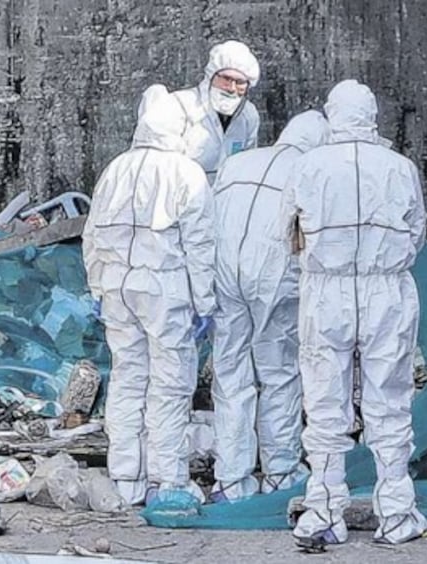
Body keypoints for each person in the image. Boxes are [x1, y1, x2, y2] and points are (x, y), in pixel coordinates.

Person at [282, 80, 427, 546]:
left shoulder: (309, 166)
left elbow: (290, 232)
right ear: (371, 116)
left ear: (332, 114)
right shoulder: (400, 167)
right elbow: (417, 230)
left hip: (326, 292)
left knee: (325, 405)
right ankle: (397, 514)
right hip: (386, 289)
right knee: (390, 400)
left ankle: (324, 511)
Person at [82, 84, 215, 507]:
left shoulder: (115, 169)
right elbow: (200, 244)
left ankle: (126, 478)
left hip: (119, 289)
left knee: (126, 379)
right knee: (170, 384)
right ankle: (169, 479)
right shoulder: (186, 172)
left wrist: (98, 287)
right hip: (165, 288)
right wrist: (206, 302)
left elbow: (91, 236)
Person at [209, 110, 330, 503]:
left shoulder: (238, 162)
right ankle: (279, 472)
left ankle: (231, 479)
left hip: (226, 274)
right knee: (278, 373)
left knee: (230, 373)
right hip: (275, 279)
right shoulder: (311, 168)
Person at [173, 40, 261, 183]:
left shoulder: (248, 116)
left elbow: (247, 163)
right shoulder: (182, 106)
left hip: (227, 197)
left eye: (240, 82)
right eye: (226, 78)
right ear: (211, 77)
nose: (231, 88)